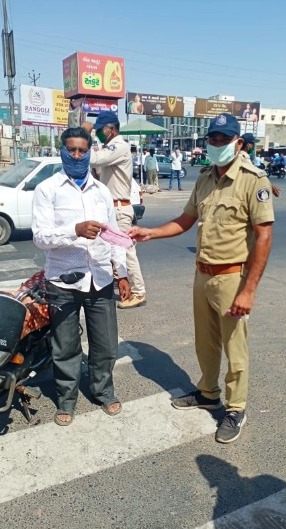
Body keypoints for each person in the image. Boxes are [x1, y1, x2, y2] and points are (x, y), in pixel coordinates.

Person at [128, 113, 274, 444]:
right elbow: (185, 219)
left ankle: (236, 408)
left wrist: (248, 290)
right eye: (213, 139)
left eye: (224, 139)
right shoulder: (205, 177)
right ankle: (208, 392)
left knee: (235, 347)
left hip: (231, 278)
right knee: (205, 343)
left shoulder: (254, 181)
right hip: (202, 273)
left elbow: (264, 238)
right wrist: (150, 233)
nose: (218, 144)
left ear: (238, 143)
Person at [32, 126, 131, 426]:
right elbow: (40, 237)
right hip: (62, 280)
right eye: (71, 149)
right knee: (65, 347)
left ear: (90, 152)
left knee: (106, 344)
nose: (76, 155)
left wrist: (122, 273)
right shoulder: (47, 190)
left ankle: (103, 391)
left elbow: (114, 235)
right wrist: (73, 231)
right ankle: (66, 399)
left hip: (99, 278)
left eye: (82, 150)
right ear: (61, 150)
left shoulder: (102, 192)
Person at [91, 110, 146, 309]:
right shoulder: (109, 148)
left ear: (112, 129)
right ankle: (126, 286)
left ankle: (139, 292)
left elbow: (94, 160)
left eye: (100, 130)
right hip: (110, 208)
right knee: (113, 251)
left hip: (120, 207)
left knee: (126, 251)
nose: (97, 133)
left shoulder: (119, 146)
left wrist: (83, 134)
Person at [241, 133, 281, 197]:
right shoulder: (243, 156)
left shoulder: (239, 155)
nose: (254, 146)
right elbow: (255, 173)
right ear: (248, 145)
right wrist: (269, 184)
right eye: (253, 144)